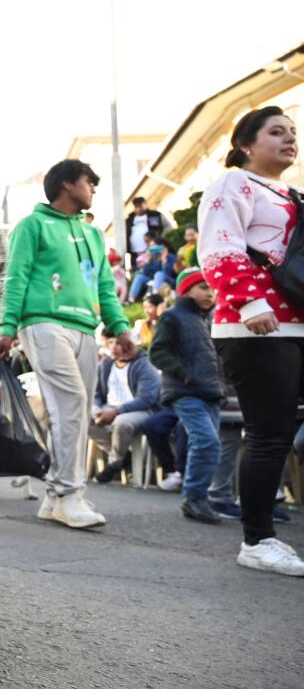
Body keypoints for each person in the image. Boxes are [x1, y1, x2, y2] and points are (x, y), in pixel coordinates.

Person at [0, 159, 136, 529]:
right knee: (71, 402)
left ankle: (57, 495)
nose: (93, 190)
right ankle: (69, 493)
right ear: (68, 184)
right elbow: (16, 277)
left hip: (85, 327)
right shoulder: (31, 226)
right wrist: (7, 327)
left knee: (77, 408)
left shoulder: (93, 235)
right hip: (42, 323)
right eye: (89, 182)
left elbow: (104, 285)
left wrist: (120, 327)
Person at [198, 105, 304, 575]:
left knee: (278, 433)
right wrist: (250, 304)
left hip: (295, 324)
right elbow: (219, 247)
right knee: (269, 433)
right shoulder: (233, 184)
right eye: (276, 132)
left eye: (293, 132)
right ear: (245, 144)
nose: (289, 139)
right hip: (256, 328)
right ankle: (257, 540)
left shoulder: (292, 193)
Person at [147, 269, 224, 523]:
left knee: (208, 444)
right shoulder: (172, 316)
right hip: (185, 391)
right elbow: (157, 351)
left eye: (211, 288)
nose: (209, 292)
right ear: (186, 290)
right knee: (206, 441)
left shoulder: (208, 319)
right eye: (202, 287)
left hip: (210, 391)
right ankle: (194, 497)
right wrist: (183, 373)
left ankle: (198, 496)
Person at [89, 336, 161, 484]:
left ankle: (115, 462)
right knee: (84, 419)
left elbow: (146, 399)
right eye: (111, 343)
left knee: (122, 423)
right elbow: (97, 394)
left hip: (140, 409)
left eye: (119, 344)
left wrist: (116, 412)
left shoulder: (144, 365)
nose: (114, 347)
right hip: (109, 406)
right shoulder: (106, 364)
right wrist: (95, 408)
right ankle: (123, 458)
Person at [125, 196, 166, 270]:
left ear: (145, 204)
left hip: (153, 250)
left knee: (153, 269)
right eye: (136, 206)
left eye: (140, 205)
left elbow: (167, 227)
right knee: (137, 271)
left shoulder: (155, 215)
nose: (138, 208)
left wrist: (161, 240)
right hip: (135, 254)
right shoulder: (129, 220)